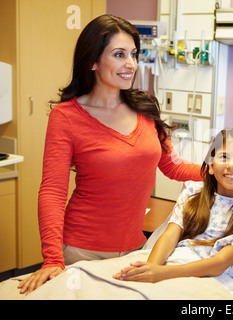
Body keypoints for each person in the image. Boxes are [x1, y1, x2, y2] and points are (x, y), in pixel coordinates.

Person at [18, 14, 201, 294]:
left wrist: (219, 171)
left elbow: (173, 166)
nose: (131, 64)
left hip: (135, 249)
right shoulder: (66, 117)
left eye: (134, 54)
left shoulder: (146, 106)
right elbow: (53, 191)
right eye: (119, 55)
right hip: (81, 251)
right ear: (92, 61)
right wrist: (53, 258)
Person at [113, 128, 233, 283]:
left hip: (210, 280)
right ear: (211, 166)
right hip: (171, 264)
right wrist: (149, 269)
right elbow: (171, 235)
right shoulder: (193, 192)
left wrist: (160, 274)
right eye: (224, 157)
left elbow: (219, 264)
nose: (231, 165)